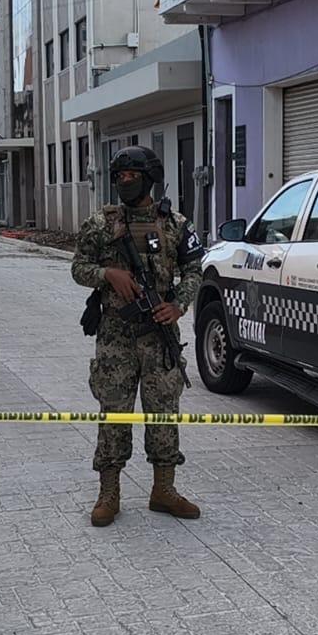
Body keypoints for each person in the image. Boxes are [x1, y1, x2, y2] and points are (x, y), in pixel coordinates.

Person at [71, 145, 205, 527]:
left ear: (149, 178)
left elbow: (194, 268)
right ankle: (109, 493)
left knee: (164, 413)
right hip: (115, 335)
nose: (123, 182)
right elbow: (79, 267)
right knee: (114, 413)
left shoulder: (175, 223)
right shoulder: (101, 223)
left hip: (159, 333)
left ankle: (164, 489)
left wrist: (178, 304)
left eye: (131, 176)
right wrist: (107, 275)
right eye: (119, 177)